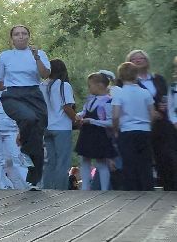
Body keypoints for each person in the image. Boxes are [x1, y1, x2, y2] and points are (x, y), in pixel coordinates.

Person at [0, 25, 51, 189]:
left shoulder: (39, 54)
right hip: (12, 95)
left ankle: (33, 181)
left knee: (37, 135)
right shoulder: (5, 56)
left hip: (34, 94)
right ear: (12, 39)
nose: (21, 37)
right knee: (28, 118)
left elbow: (45, 75)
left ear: (29, 37)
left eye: (24, 34)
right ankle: (23, 148)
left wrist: (36, 57)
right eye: (17, 34)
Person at [125, 49, 177, 191]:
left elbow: (167, 97)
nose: (138, 60)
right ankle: (144, 190)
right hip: (140, 124)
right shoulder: (126, 82)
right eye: (134, 59)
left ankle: (171, 188)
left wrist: (165, 105)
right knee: (143, 159)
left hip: (161, 123)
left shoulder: (158, 79)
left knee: (167, 156)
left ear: (147, 61)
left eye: (141, 58)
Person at [112, 61, 157, 191]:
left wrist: (116, 130)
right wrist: (149, 126)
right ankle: (148, 188)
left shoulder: (119, 94)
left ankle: (132, 191)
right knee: (145, 163)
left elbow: (115, 115)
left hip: (126, 131)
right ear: (136, 75)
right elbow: (152, 114)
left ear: (120, 76)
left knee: (129, 163)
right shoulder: (145, 93)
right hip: (144, 131)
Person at [75, 71, 117, 191]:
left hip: (100, 134)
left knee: (101, 162)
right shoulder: (90, 100)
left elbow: (110, 122)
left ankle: (104, 189)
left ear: (100, 85)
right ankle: (85, 187)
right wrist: (79, 115)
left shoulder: (108, 102)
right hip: (87, 133)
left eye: (90, 85)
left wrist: (92, 121)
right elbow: (84, 111)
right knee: (84, 159)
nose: (88, 88)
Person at [41, 58, 78, 190]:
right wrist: (77, 119)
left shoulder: (42, 86)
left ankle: (46, 188)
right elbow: (67, 108)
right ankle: (60, 190)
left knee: (50, 162)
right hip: (62, 128)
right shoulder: (64, 86)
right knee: (62, 162)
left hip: (46, 127)